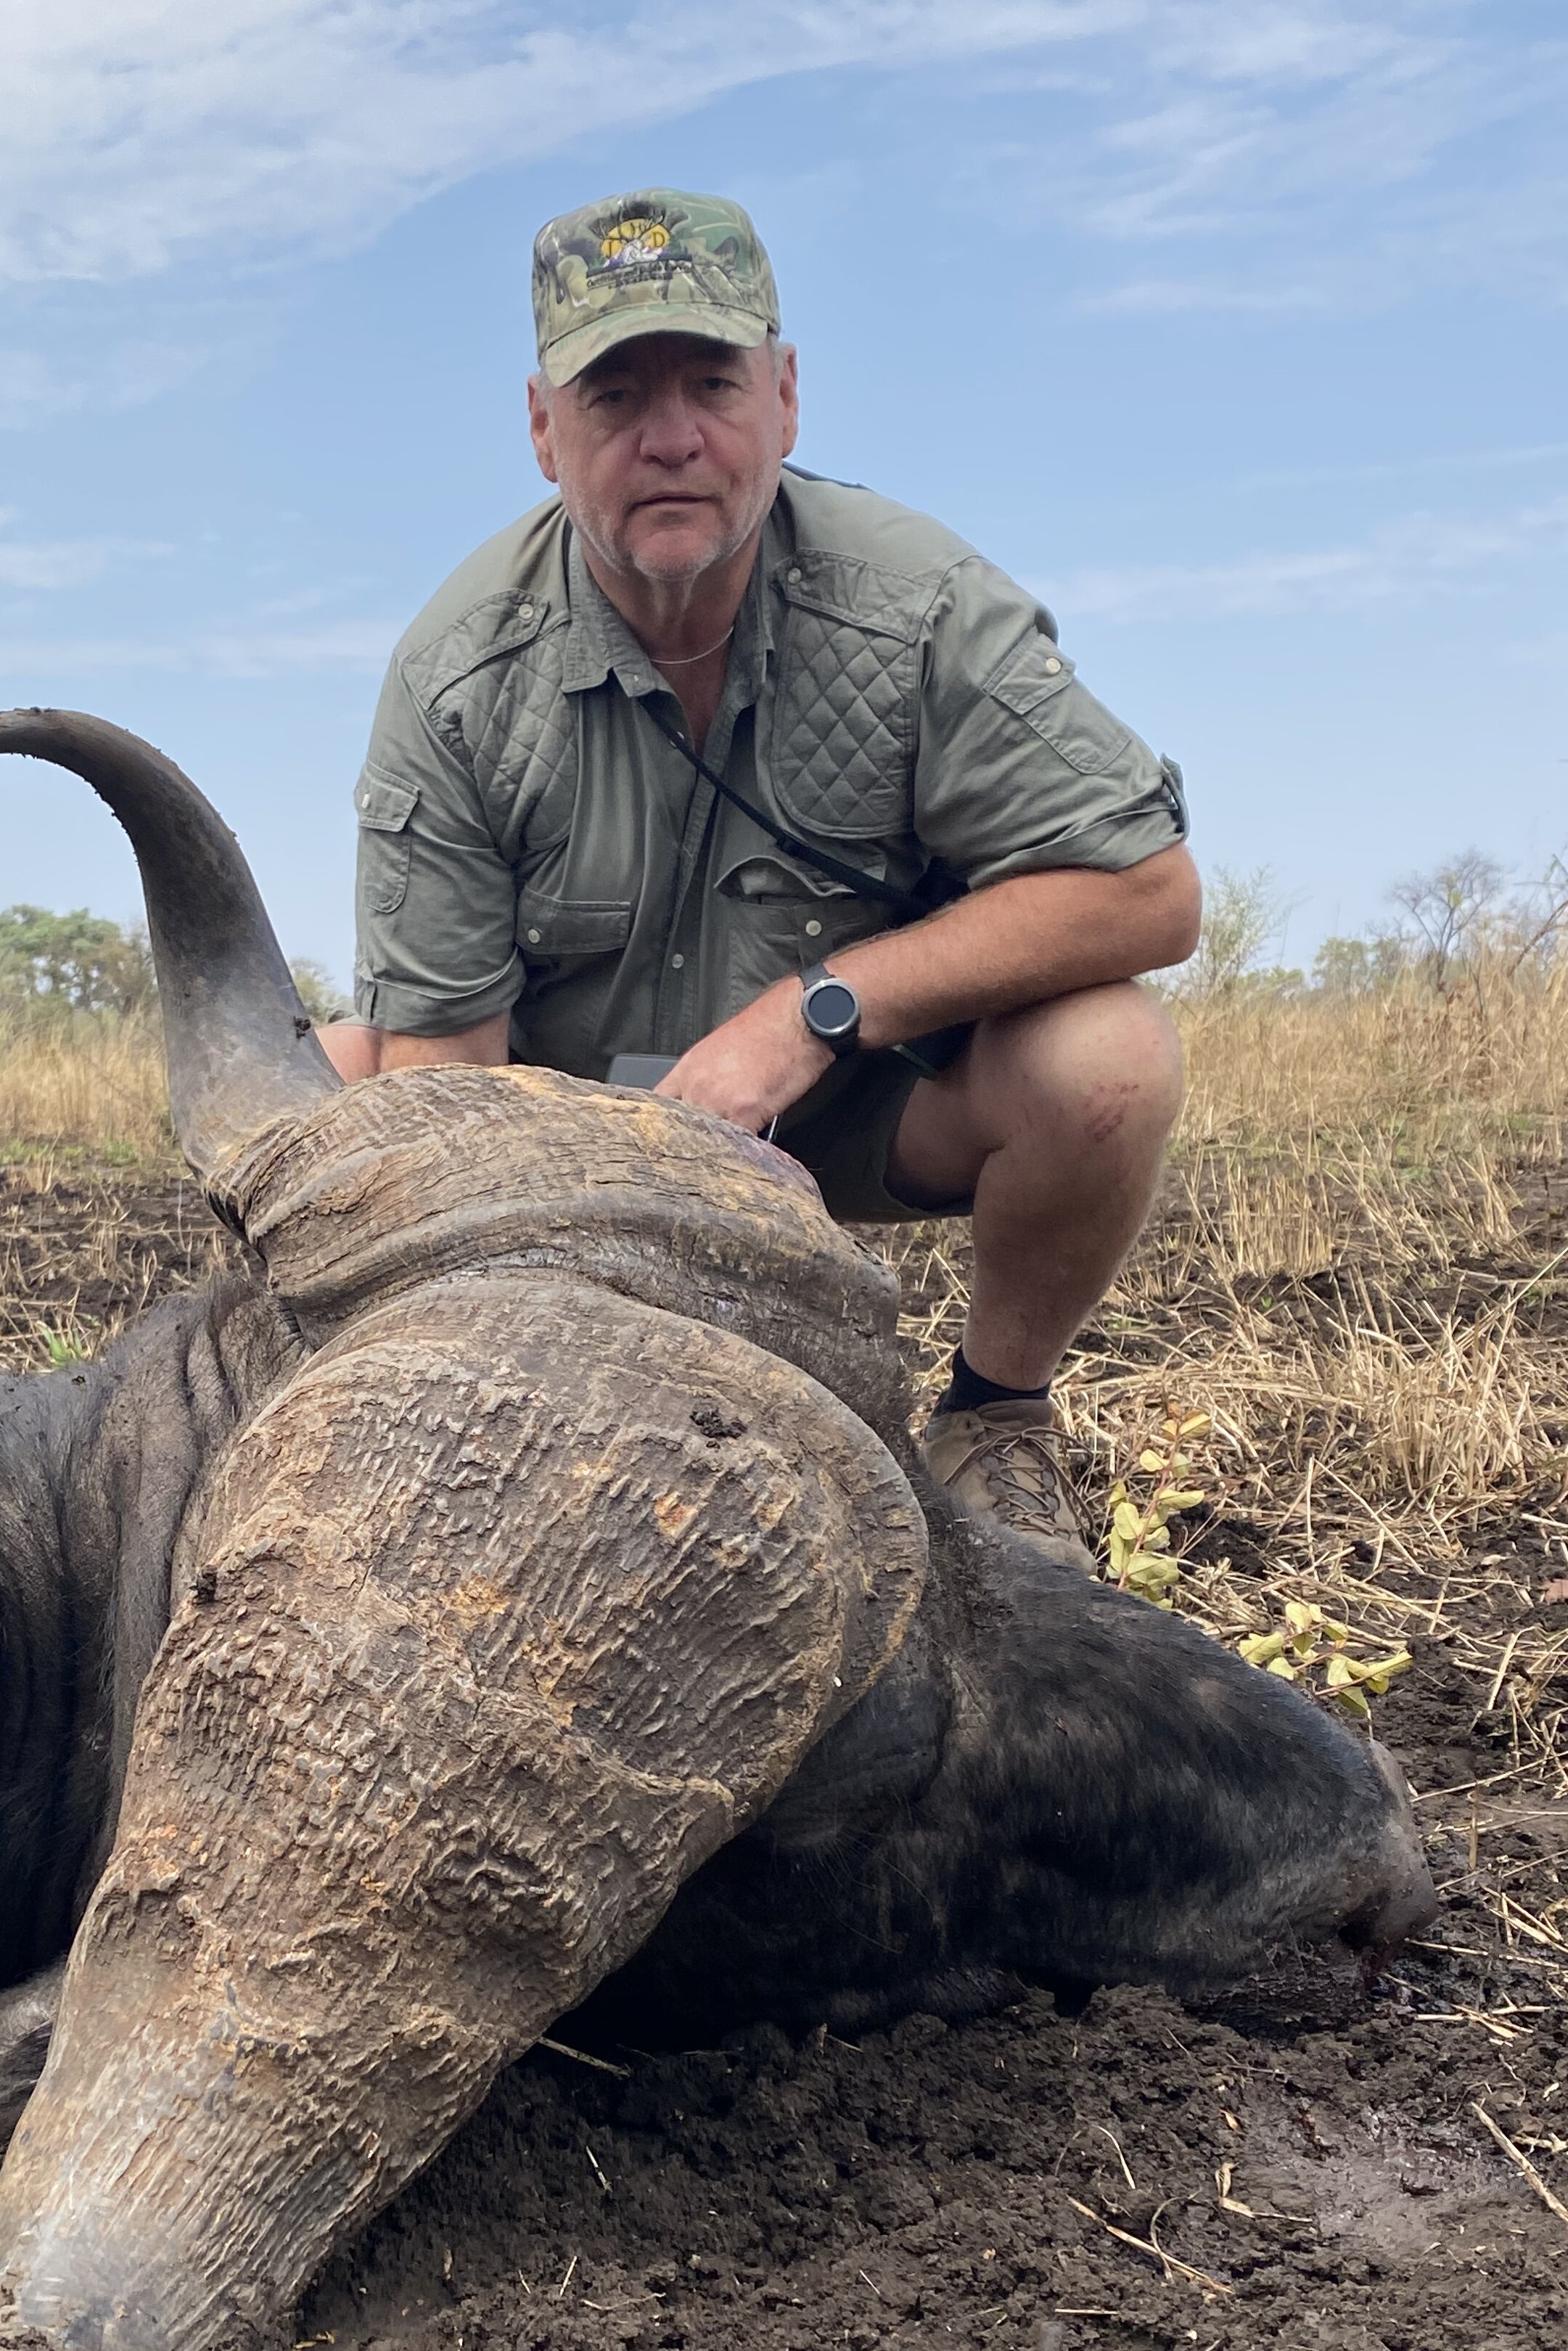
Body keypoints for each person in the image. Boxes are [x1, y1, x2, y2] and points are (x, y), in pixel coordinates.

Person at [324, 187, 1200, 1570]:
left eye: (712, 383)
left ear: (785, 399)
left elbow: (1150, 892)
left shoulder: (919, 606)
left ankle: (997, 1423)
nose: (671, 437)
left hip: (844, 1114)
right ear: (546, 432)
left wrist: (812, 1014)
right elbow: (446, 1078)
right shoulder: (455, 676)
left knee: (1109, 1059)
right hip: (563, 1143)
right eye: (614, 395)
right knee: (325, 1082)